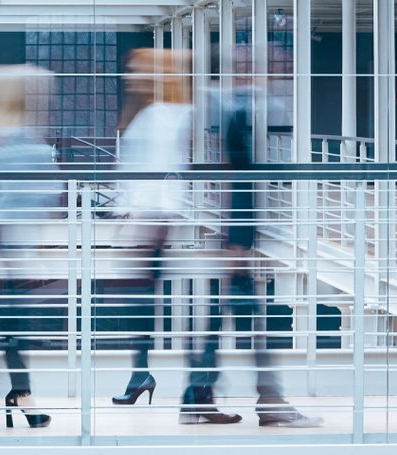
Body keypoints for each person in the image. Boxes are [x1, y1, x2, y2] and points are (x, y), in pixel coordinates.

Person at [177, 77, 322, 428]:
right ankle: (262, 400)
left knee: (231, 320)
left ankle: (202, 398)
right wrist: (238, 241)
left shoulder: (233, 109)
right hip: (236, 236)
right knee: (247, 322)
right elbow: (236, 175)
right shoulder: (231, 110)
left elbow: (233, 174)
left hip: (236, 235)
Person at [0, 64, 59, 429]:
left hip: (6, 246)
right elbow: (41, 194)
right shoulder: (9, 139)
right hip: (5, 246)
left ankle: (17, 394)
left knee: (12, 326)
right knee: (12, 325)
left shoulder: (2, 137)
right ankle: (17, 395)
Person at [108, 48, 193, 411]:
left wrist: (137, 218)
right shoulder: (153, 112)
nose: (128, 76)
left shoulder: (164, 115)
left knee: (138, 300)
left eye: (135, 69)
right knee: (137, 302)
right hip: (145, 217)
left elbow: (164, 173)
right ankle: (139, 374)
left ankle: (143, 375)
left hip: (150, 219)